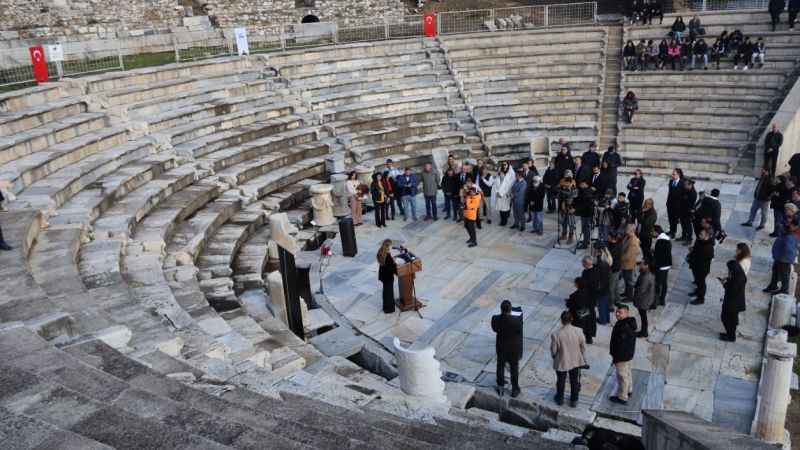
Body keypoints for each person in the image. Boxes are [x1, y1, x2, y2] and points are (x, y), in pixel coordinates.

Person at [551, 310, 588, 408]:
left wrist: (554, 356)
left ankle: (560, 398)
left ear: (561, 321)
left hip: (562, 360)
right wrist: (583, 357)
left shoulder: (556, 334)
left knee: (561, 381)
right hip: (575, 360)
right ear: (572, 319)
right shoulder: (579, 331)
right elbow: (583, 346)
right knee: (574, 380)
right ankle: (574, 400)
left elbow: (554, 350)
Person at [491, 300, 523, 398]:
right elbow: (519, 332)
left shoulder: (495, 319)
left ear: (501, 309)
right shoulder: (517, 321)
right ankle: (515, 389)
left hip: (501, 347)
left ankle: (500, 386)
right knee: (514, 368)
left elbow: (494, 329)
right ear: (510, 310)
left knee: (500, 366)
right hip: (513, 349)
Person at [609, 304, 637, 405]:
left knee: (622, 376)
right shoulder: (628, 323)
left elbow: (620, 345)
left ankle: (622, 397)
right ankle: (629, 390)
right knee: (627, 373)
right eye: (616, 312)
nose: (617, 314)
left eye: (620, 312)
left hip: (622, 356)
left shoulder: (623, 327)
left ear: (626, 313)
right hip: (628, 355)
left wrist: (616, 358)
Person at [766, 219, 799, 294]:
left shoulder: (794, 234)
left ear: (795, 226)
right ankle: (773, 285)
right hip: (779, 255)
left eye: (792, 225)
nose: (790, 225)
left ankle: (784, 290)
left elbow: (790, 248)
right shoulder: (788, 229)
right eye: (790, 224)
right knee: (775, 271)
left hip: (785, 258)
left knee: (784, 274)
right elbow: (781, 226)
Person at [721, 258, 747, 342]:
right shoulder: (739, 274)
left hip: (733, 303)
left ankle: (731, 336)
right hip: (736, 302)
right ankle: (729, 334)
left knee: (726, 318)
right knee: (732, 320)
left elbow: (731, 289)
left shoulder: (738, 278)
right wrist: (728, 279)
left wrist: (724, 284)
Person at [688, 228, 715, 305]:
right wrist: (692, 250)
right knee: (697, 281)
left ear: (707, 236)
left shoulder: (709, 247)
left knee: (701, 283)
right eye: (700, 233)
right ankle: (697, 292)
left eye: (701, 234)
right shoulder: (699, 240)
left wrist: (694, 252)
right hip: (695, 265)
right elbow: (696, 250)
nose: (699, 235)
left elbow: (707, 257)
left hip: (702, 269)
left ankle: (701, 298)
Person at [567, 277, 596, 345]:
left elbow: (570, 304)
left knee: (579, 327)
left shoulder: (575, 295)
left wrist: (568, 302)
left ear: (577, 285)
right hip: (589, 311)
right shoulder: (590, 292)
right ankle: (589, 338)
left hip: (580, 313)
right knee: (588, 325)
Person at [633, 260, 655, 338]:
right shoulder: (647, 274)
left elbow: (641, 290)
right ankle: (644, 331)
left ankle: (644, 332)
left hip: (643, 300)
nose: (640, 266)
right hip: (646, 299)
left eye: (642, 264)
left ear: (647, 265)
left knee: (643, 317)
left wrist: (635, 297)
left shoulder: (646, 277)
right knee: (643, 316)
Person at [652, 225, 672, 308]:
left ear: (657, 232)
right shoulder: (666, 238)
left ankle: (656, 302)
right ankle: (662, 299)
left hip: (661, 266)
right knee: (664, 283)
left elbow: (658, 256)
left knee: (658, 284)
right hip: (666, 265)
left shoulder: (661, 241)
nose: (652, 233)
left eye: (652, 232)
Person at [621, 224, 641, 300]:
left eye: (627, 229)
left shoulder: (633, 241)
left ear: (632, 230)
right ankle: (626, 293)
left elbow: (628, 256)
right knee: (626, 279)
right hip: (625, 263)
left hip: (629, 265)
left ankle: (629, 297)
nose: (625, 230)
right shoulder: (628, 237)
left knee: (629, 281)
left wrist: (619, 258)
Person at [377, 239, 397, 313]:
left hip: (383, 275)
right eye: (391, 245)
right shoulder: (387, 256)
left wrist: (392, 262)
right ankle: (389, 309)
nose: (391, 247)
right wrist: (395, 264)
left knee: (385, 292)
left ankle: (385, 307)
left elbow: (386, 264)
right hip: (388, 277)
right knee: (389, 293)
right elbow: (391, 268)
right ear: (388, 246)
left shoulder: (381, 251)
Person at [558, 170, 578, 244]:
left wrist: (572, 206)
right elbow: (559, 192)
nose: (566, 177)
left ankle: (571, 236)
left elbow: (575, 195)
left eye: (568, 175)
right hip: (563, 205)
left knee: (571, 222)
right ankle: (564, 234)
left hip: (571, 205)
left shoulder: (573, 183)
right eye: (565, 175)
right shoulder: (562, 181)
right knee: (564, 221)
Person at [575, 181, 595, 250]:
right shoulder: (584, 191)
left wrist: (576, 210)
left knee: (585, 228)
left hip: (587, 213)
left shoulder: (587, 192)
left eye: (582, 184)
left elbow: (584, 204)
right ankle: (586, 241)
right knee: (585, 228)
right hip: (585, 213)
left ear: (586, 185)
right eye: (580, 184)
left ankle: (585, 244)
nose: (581, 185)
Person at [678, 178, 697, 243]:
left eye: (685, 185)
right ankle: (683, 236)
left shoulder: (693, 194)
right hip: (682, 210)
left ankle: (689, 239)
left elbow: (689, 204)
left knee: (688, 225)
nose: (684, 186)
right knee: (683, 224)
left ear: (690, 185)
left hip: (688, 212)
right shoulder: (685, 189)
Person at [666, 168, 684, 237]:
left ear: (678, 175)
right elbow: (669, 193)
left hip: (677, 205)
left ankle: (673, 232)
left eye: (674, 174)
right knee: (670, 218)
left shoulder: (681, 183)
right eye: (672, 174)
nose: (672, 175)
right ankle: (671, 230)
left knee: (674, 219)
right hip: (670, 204)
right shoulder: (671, 182)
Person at [608, 231, 623, 305]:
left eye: (609, 236)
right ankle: (618, 300)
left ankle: (611, 304)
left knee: (611, 287)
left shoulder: (613, 248)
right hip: (617, 268)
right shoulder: (618, 244)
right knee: (616, 285)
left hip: (613, 269)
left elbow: (609, 260)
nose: (607, 237)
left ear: (611, 238)